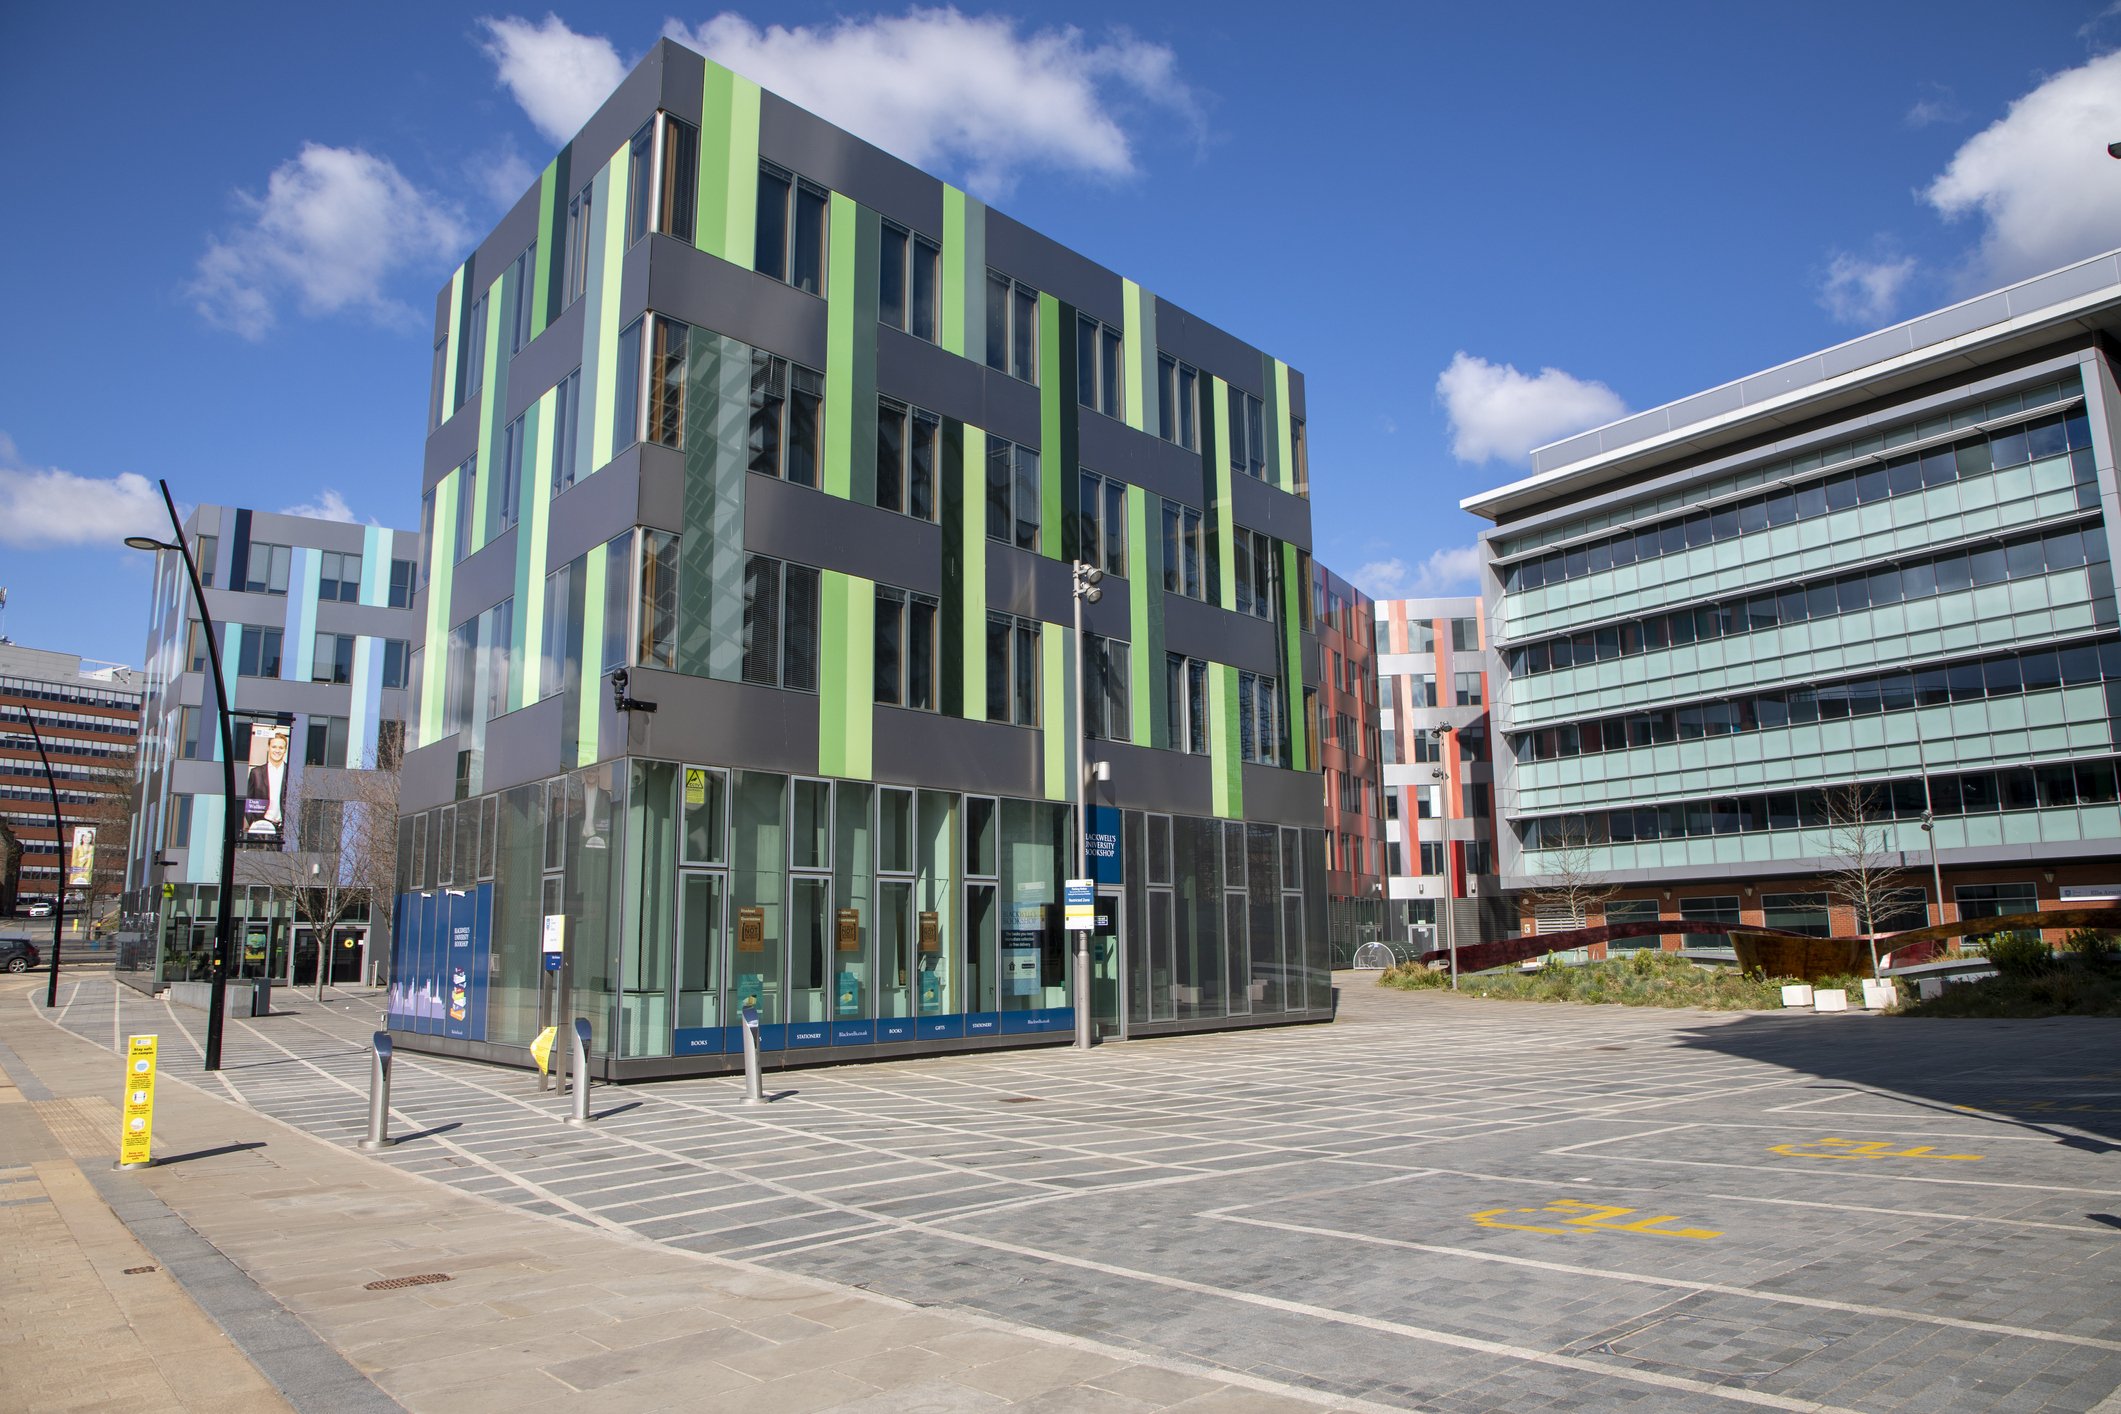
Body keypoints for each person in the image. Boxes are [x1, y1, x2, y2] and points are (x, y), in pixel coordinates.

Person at [245, 728, 289, 839]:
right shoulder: (256, 773)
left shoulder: (291, 773)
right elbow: (249, 800)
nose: (277, 750)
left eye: (281, 747)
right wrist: (253, 823)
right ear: (268, 748)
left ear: (285, 750)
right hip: (261, 827)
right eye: (274, 747)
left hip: (283, 830)